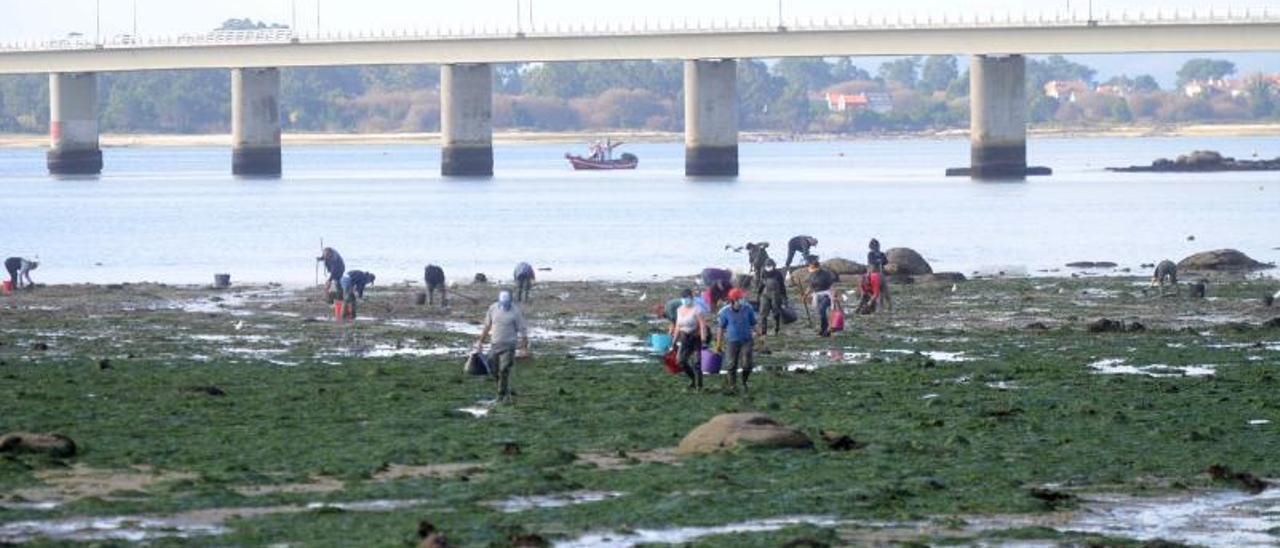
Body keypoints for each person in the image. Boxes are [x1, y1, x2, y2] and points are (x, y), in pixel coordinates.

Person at [475, 290, 529, 403]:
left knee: (504, 369)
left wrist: (524, 347)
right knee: (493, 369)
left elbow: (522, 330)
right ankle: (505, 388)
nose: (505, 305)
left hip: (509, 345)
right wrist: (480, 342)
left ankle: (501, 395)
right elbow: (487, 326)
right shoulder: (493, 309)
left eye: (507, 303)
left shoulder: (515, 312)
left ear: (510, 301)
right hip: (495, 344)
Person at [717, 288, 758, 394]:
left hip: (747, 340)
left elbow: (753, 323)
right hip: (732, 341)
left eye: (742, 298)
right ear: (733, 300)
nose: (742, 300)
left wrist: (760, 335)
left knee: (747, 364)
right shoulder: (725, 312)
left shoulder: (748, 309)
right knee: (731, 364)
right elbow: (721, 328)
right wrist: (718, 344)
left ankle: (744, 382)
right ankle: (732, 386)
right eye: (740, 298)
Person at [668, 288, 709, 391]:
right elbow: (678, 326)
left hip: (696, 338)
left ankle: (699, 386)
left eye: (688, 298)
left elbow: (703, 325)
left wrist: (704, 340)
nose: (686, 300)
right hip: (684, 337)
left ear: (691, 298)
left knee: (697, 362)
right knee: (680, 361)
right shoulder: (679, 310)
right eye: (684, 298)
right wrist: (673, 342)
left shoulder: (697, 309)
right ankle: (693, 380)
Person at [802, 255, 840, 337]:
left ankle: (825, 329)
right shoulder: (811, 275)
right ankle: (824, 329)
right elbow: (810, 286)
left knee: (822, 311)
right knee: (821, 312)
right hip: (817, 295)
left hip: (826, 295)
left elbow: (831, 285)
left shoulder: (825, 274)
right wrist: (805, 295)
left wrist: (834, 296)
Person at [756, 259, 788, 336]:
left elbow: (782, 286)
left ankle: (776, 328)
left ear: (774, 266)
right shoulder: (763, 272)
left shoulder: (778, 274)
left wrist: (784, 297)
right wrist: (758, 294)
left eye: (770, 266)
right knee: (763, 313)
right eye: (767, 266)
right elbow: (761, 284)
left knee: (776, 312)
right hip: (765, 294)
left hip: (776, 294)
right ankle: (764, 332)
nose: (768, 267)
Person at [866, 238, 891, 312]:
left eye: (877, 245)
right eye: (875, 246)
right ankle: (879, 308)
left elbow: (885, 261)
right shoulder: (871, 254)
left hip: (881, 274)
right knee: (877, 293)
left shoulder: (882, 254)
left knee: (886, 292)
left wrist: (880, 260)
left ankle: (889, 307)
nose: (877, 247)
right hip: (874, 275)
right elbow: (871, 262)